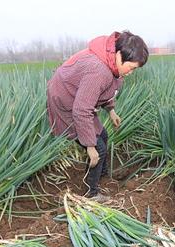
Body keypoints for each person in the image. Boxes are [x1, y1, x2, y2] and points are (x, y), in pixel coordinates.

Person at [47, 31, 148, 199]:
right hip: (65, 101)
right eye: (131, 67)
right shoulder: (99, 70)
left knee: (103, 135)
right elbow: (81, 110)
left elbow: (106, 90)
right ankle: (91, 192)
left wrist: (111, 110)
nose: (131, 72)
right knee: (98, 148)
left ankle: (101, 175)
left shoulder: (113, 64)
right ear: (118, 55)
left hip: (79, 100)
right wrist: (89, 146)